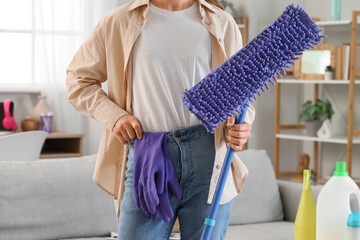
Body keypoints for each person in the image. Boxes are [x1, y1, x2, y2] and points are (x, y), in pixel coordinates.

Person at [66, 0, 255, 239]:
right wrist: (114, 117)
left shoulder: (222, 23)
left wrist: (241, 125)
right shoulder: (118, 21)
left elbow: (241, 93)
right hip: (148, 152)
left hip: (209, 155)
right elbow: (78, 80)